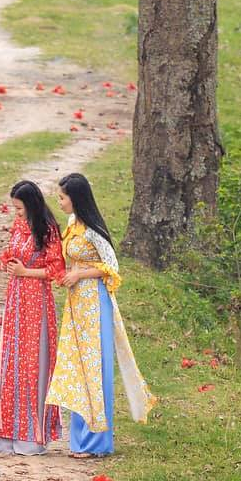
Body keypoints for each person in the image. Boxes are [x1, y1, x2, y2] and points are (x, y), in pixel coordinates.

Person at [44, 172, 155, 458]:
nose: (60, 202)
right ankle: (80, 439)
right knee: (78, 365)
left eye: (63, 197)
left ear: (76, 198)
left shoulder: (93, 230)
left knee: (94, 366)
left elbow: (112, 266)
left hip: (94, 301)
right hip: (77, 303)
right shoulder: (72, 224)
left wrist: (80, 273)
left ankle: (96, 442)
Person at [0, 180, 66, 455]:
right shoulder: (19, 225)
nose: (18, 213)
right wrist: (6, 262)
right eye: (15, 208)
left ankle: (32, 435)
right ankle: (9, 432)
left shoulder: (47, 230)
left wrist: (26, 272)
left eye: (21, 209)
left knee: (33, 363)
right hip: (16, 299)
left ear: (32, 205)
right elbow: (12, 251)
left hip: (36, 300)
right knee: (13, 362)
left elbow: (55, 271)